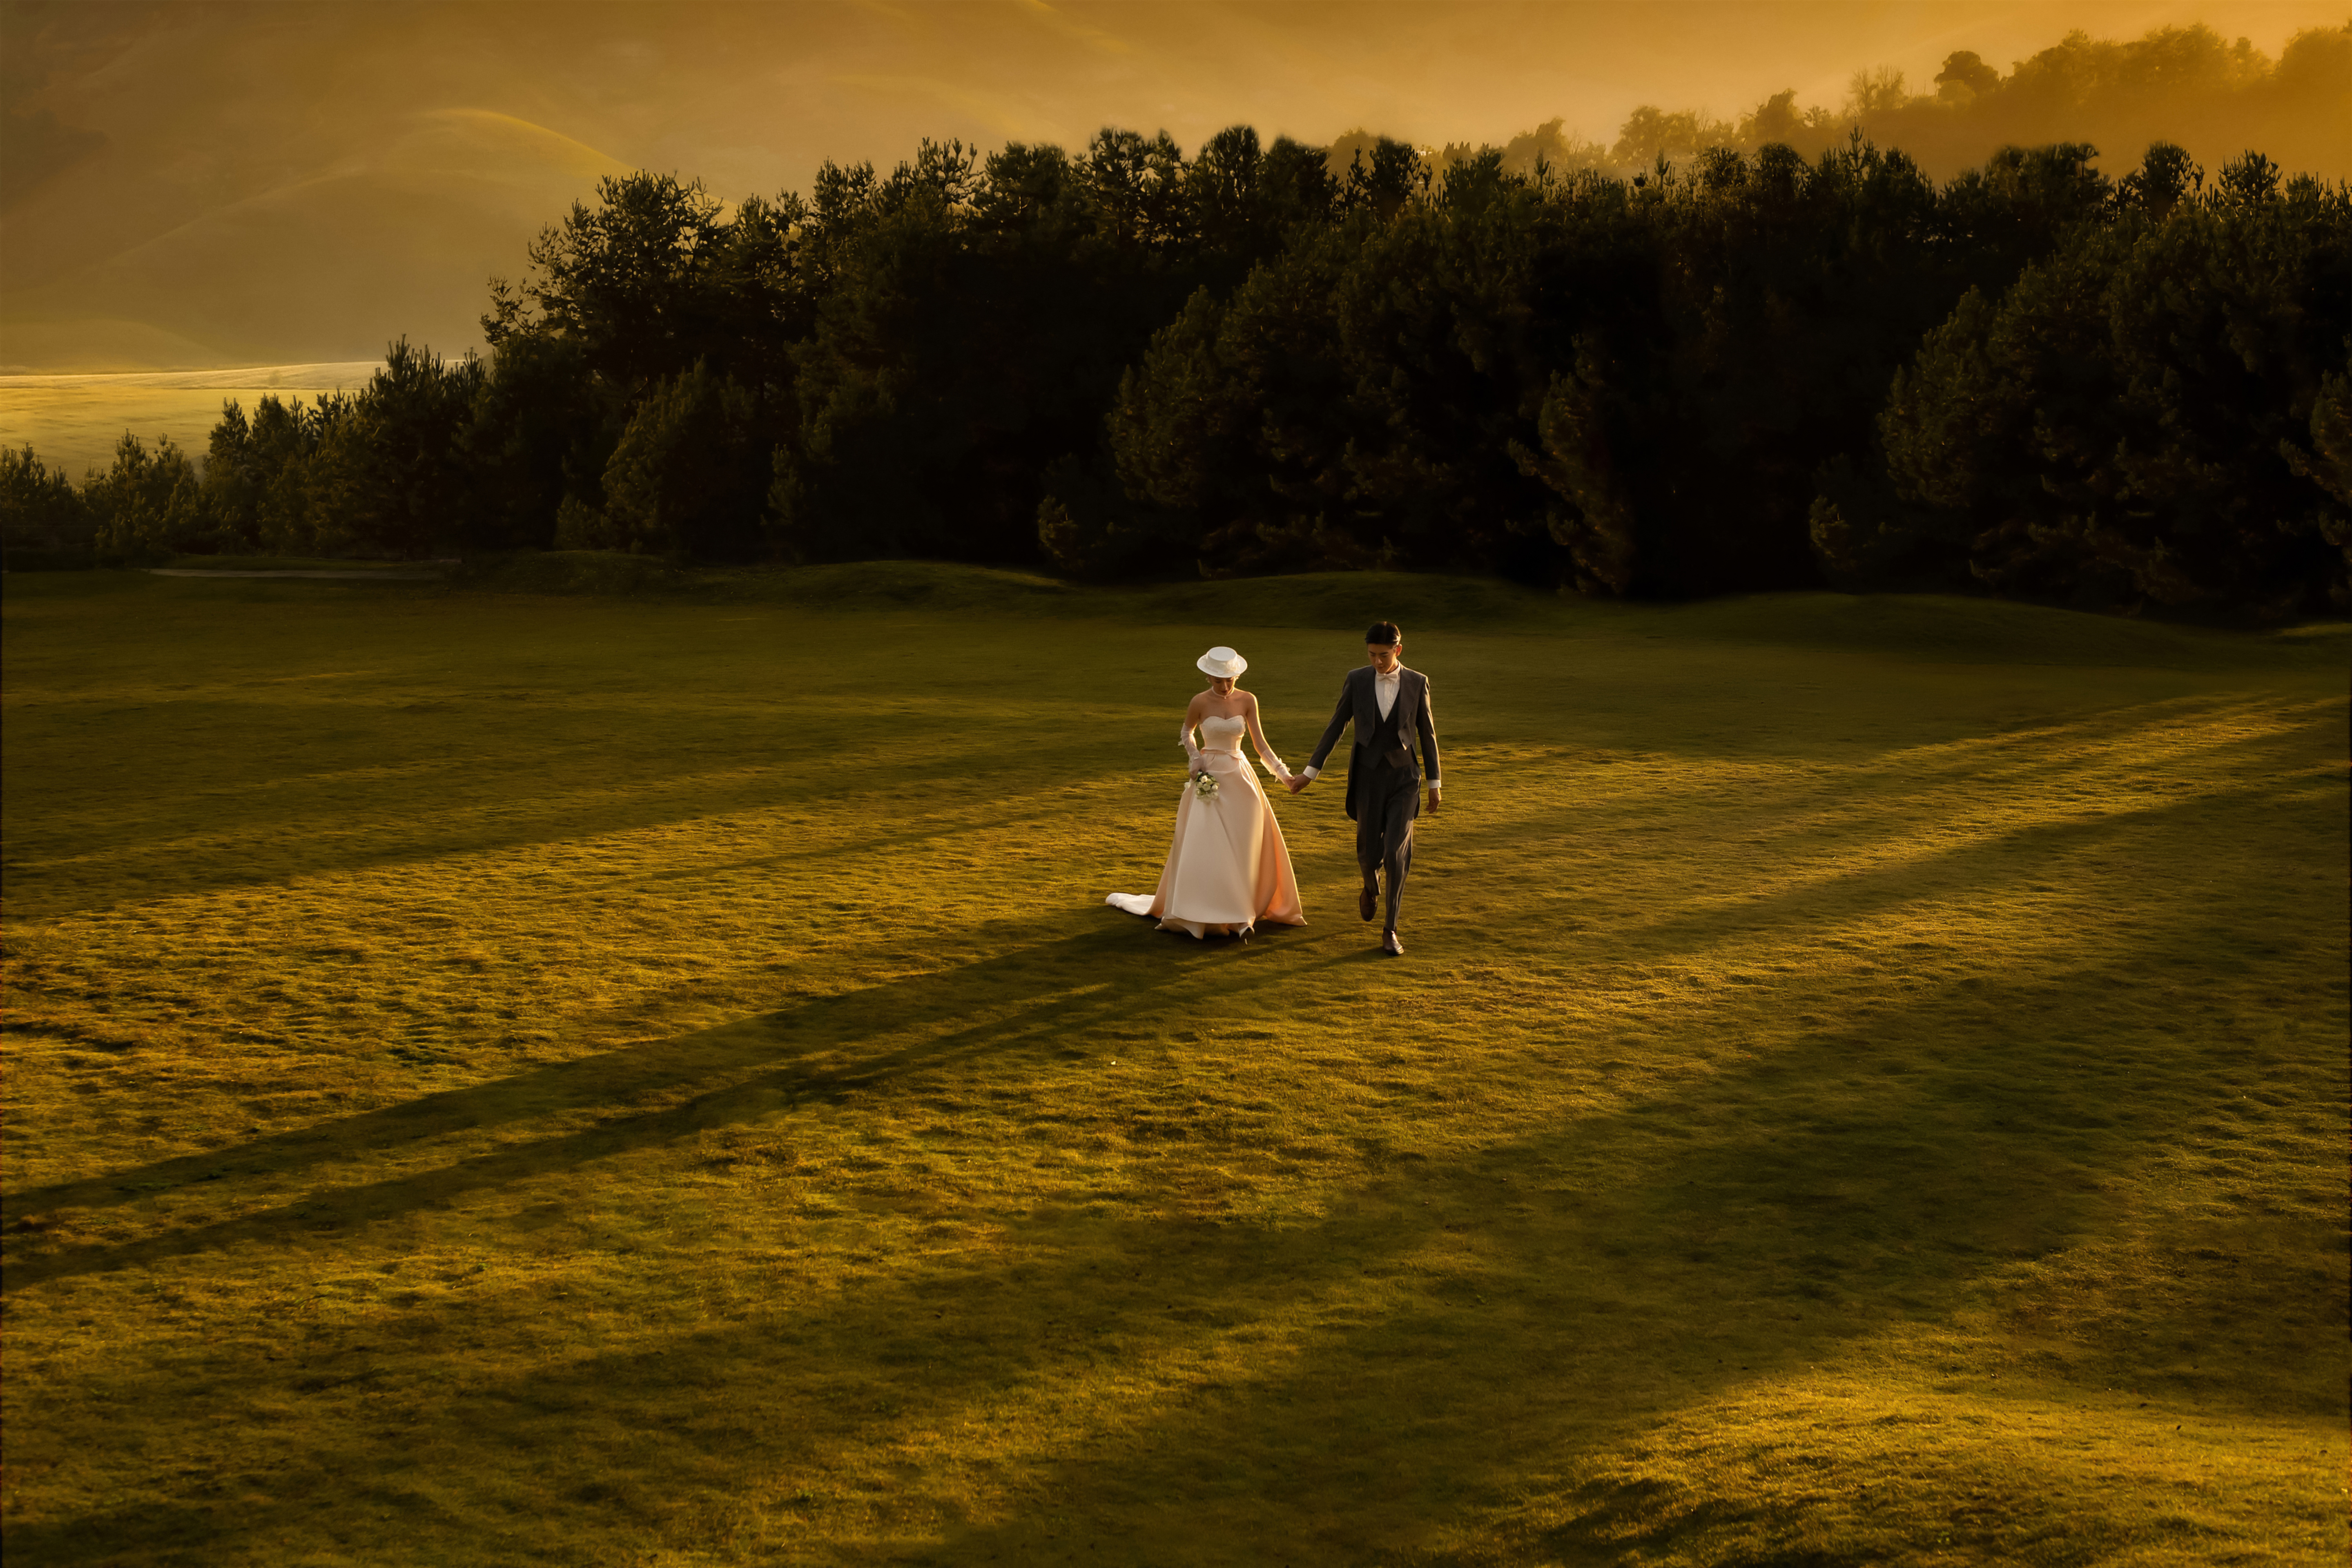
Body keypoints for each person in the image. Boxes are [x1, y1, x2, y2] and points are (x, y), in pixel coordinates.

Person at [1107, 646, 1307, 939]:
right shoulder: (1199, 702)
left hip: (1240, 778)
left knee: (1245, 845)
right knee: (1208, 843)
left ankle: (1243, 910)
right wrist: (1194, 757)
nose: (1225, 687)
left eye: (1230, 680)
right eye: (1218, 681)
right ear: (1207, 677)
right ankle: (1208, 909)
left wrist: (1285, 776)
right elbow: (1186, 732)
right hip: (1209, 776)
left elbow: (1260, 745)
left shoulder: (1248, 700)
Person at [1287, 621, 1440, 956]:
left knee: (1396, 854)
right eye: (1371, 655)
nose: (1377, 662)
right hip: (1368, 777)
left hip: (1405, 778)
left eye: (1384, 655)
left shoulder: (1418, 682)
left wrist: (1434, 783)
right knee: (1369, 854)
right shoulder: (1356, 679)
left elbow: (1426, 733)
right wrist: (1309, 773)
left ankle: (1391, 930)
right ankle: (1370, 884)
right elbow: (1336, 726)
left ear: (1398, 650)